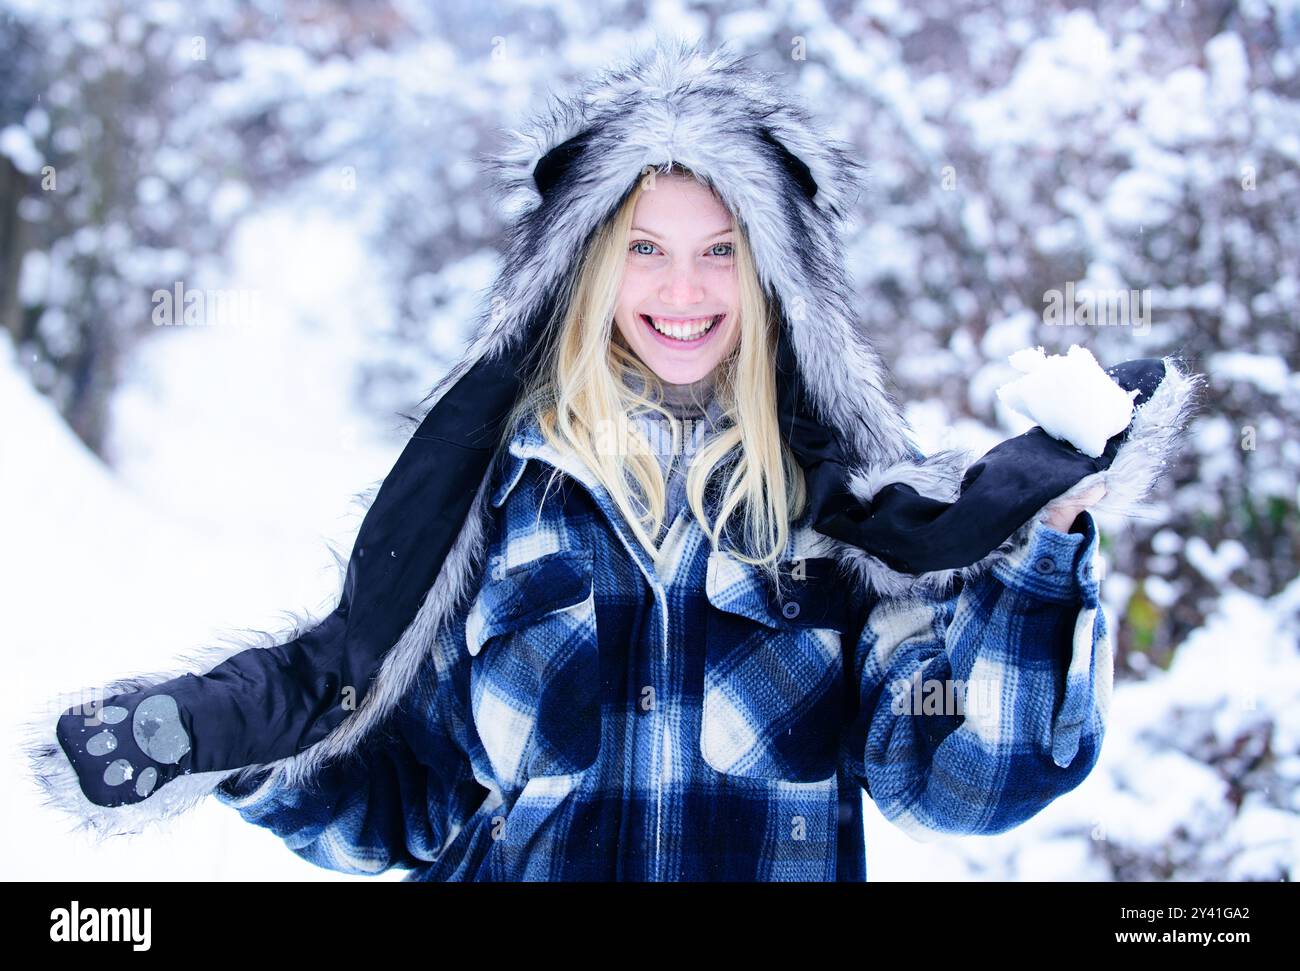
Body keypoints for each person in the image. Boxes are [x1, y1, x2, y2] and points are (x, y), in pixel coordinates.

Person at [27, 39, 1199, 881]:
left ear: (773, 280)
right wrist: (236, 748)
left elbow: (958, 783)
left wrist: (1040, 552)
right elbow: (410, 801)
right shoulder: (503, 505)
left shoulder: (838, 519)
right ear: (583, 270)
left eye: (718, 251)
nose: (681, 291)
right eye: (641, 247)